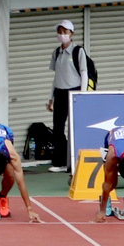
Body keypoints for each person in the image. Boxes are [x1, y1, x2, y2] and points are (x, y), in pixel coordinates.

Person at [46, 20, 87, 173]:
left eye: (65, 32)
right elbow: (56, 77)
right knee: (58, 129)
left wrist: (82, 95)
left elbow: (84, 73)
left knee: (75, 128)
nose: (62, 35)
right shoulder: (56, 52)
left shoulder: (78, 51)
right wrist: (51, 98)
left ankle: (76, 161)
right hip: (60, 93)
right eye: (60, 32)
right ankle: (61, 162)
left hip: (74, 91)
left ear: (71, 34)